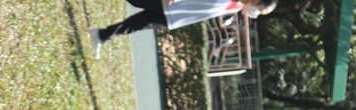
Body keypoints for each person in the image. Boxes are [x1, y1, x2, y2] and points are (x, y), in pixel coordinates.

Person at [88, 0, 278, 57]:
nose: (256, 12)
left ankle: (100, 36)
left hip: (176, 15)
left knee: (137, 23)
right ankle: (100, 36)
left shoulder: (237, 6)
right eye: (259, 8)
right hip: (172, 4)